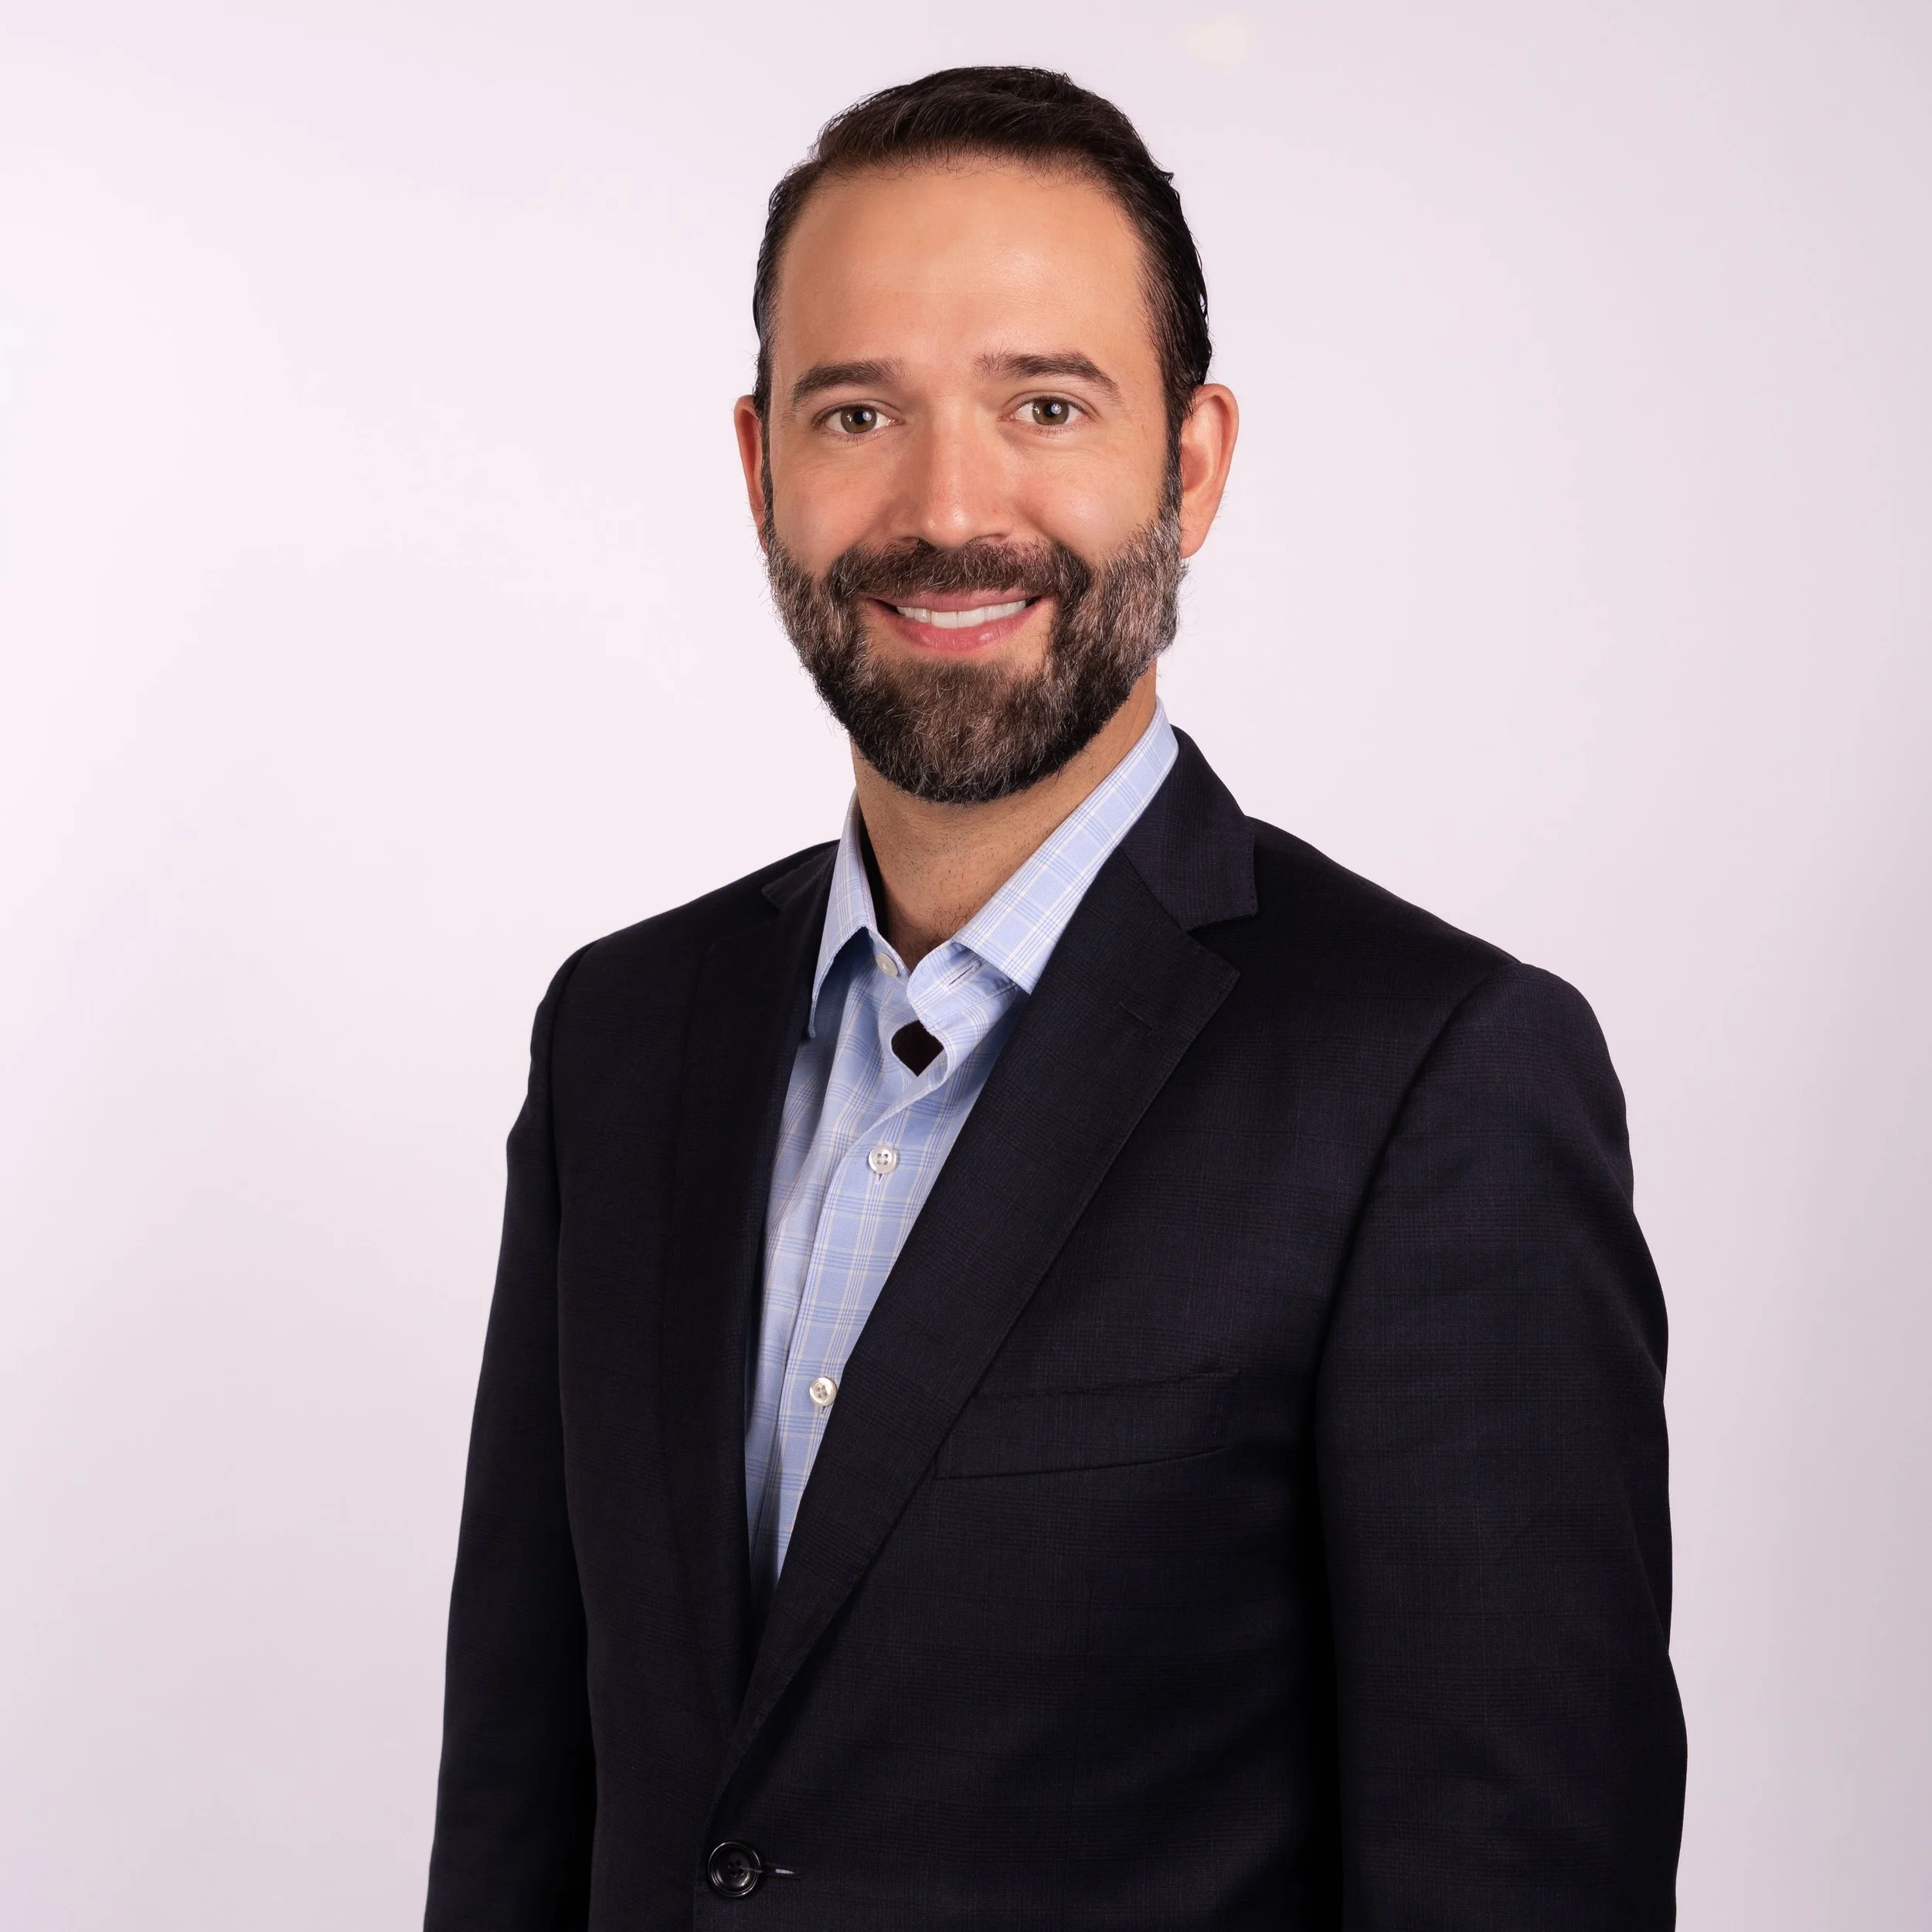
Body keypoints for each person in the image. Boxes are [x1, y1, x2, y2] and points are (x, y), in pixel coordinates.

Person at [423, 66, 1685, 1931]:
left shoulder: (1433, 1078)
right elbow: (521, 1812)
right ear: (762, 465)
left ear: (1189, 462)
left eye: (1044, 403)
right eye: (860, 410)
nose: (949, 508)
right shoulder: (617, 1036)